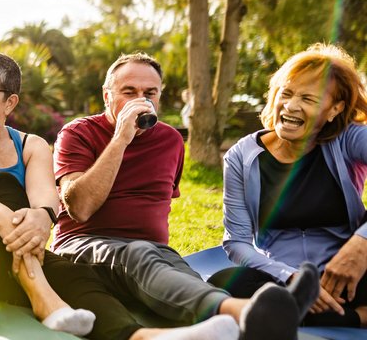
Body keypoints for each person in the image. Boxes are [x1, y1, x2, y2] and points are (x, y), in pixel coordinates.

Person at [0, 51, 240, 340]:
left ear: (10, 103)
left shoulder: (31, 145)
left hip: (12, 264)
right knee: (2, 185)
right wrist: (16, 222)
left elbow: (46, 200)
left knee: (77, 277)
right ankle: (41, 296)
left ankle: (140, 336)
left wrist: (41, 216)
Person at [53, 51, 321, 339]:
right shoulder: (78, 133)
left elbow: (158, 205)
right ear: (107, 96)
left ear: (159, 97)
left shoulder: (170, 140)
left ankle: (247, 329)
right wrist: (121, 138)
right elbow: (79, 208)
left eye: (149, 93)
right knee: (141, 254)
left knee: (183, 276)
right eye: (128, 91)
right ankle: (244, 313)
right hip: (83, 247)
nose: (140, 99)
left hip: (155, 253)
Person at [213, 43, 367, 328]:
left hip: (351, 274)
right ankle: (356, 317)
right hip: (282, 279)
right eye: (286, 93)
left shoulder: (349, 139)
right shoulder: (241, 156)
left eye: (308, 98)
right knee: (223, 284)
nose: (291, 105)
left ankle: (297, 315)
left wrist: (361, 245)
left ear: (335, 108)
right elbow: (236, 242)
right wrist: (290, 277)